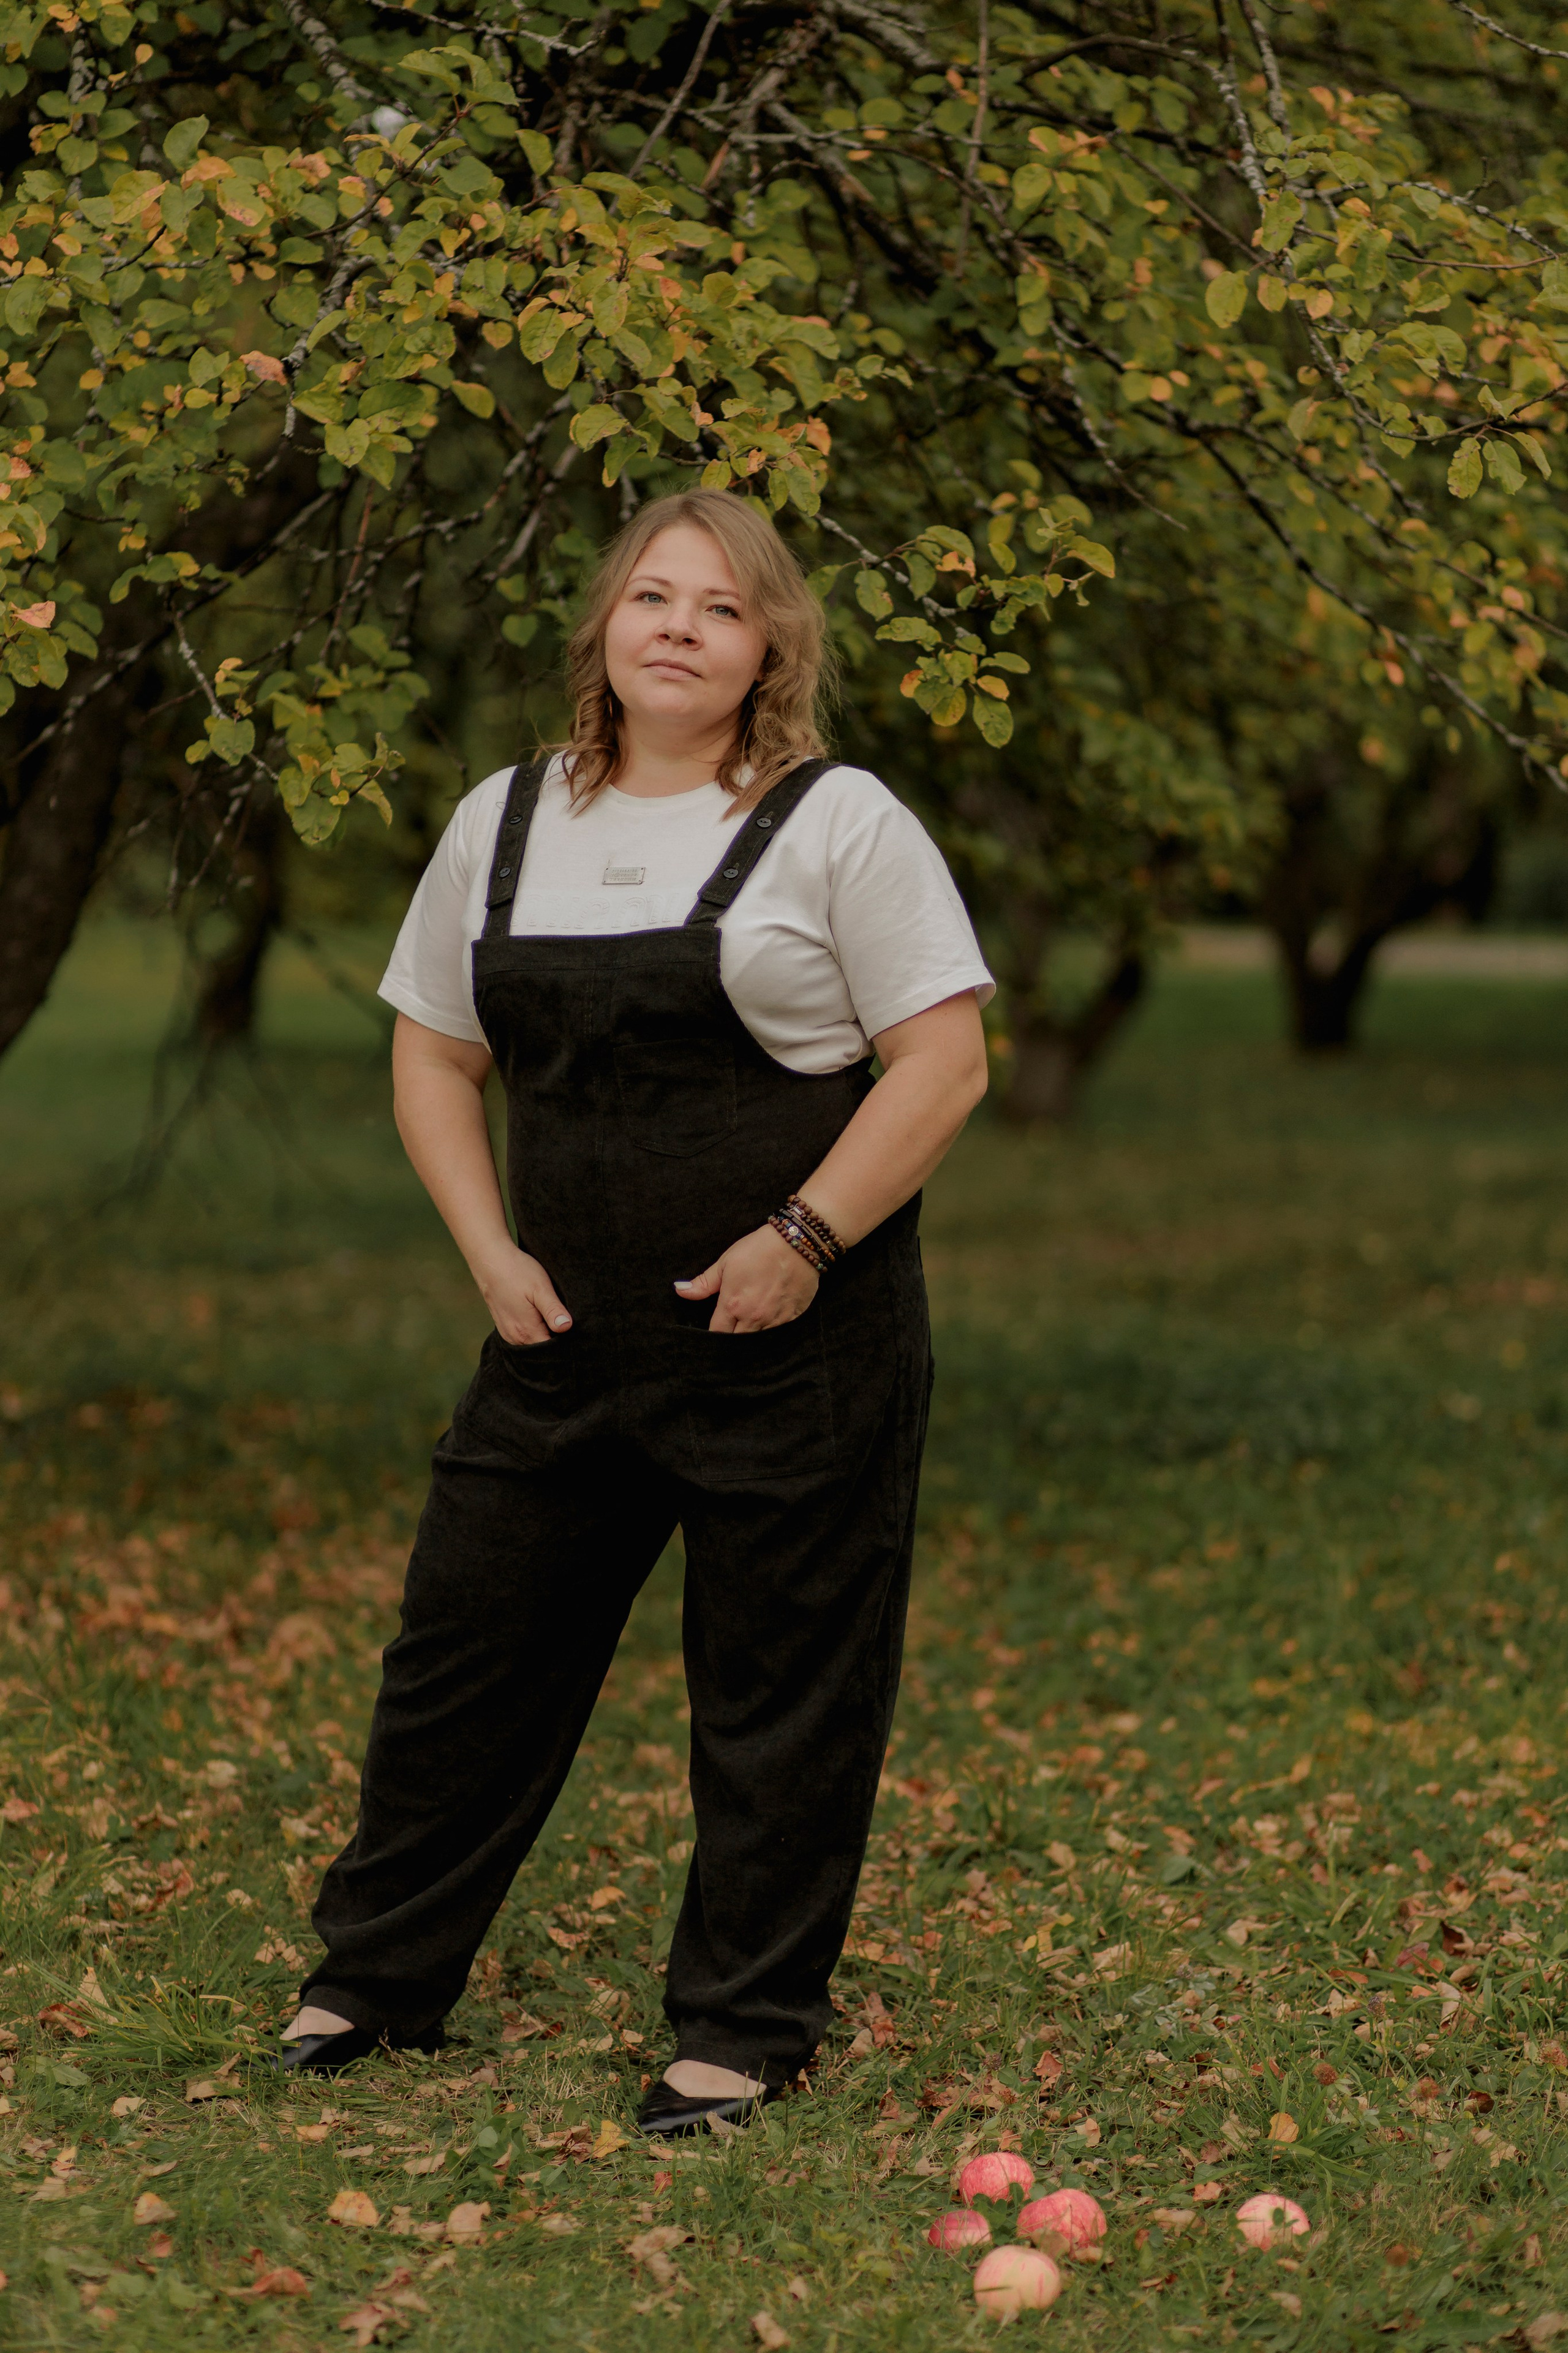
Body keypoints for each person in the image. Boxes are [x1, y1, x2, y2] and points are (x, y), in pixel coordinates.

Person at [275, 488, 993, 2136]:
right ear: (606, 623)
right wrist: (488, 1251)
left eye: (723, 607)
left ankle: (743, 2025)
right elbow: (435, 1054)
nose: (681, 627)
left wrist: (803, 1237)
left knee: (779, 1691)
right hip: (559, 1342)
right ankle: (375, 1980)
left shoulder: (837, 822)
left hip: (794, 1343)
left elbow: (944, 1064)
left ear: (771, 647)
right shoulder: (505, 819)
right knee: (464, 1658)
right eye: (654, 596)